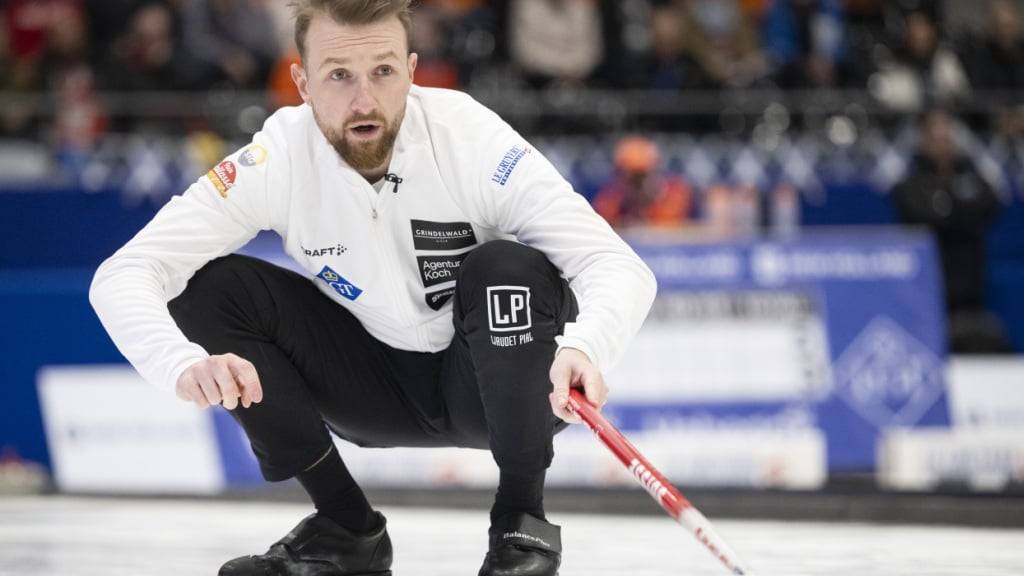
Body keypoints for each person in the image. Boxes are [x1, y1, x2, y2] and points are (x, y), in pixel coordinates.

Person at [88, 1, 657, 575]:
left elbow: (615, 264)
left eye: (383, 72)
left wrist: (587, 346)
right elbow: (126, 273)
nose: (364, 101)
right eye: (339, 75)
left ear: (411, 71)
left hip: (498, 392)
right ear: (302, 82)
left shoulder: (470, 138)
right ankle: (344, 529)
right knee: (206, 287)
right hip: (371, 390)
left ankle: (520, 525)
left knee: (504, 267)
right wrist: (180, 364)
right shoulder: (276, 157)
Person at [593, 135, 692, 229]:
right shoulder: (612, 199)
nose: (637, 182)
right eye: (631, 176)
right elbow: (602, 221)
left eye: (641, 175)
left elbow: (668, 229)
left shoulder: (674, 194)